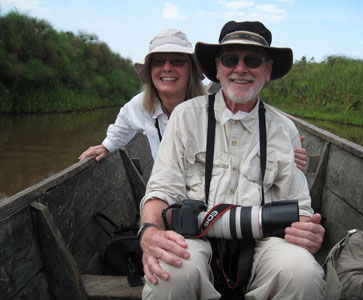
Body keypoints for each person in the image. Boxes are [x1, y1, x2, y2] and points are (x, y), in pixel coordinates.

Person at [139, 20, 325, 300]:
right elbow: (161, 189)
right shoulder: (185, 117)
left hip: (264, 241)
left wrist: (308, 232)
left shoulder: (284, 129)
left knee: (303, 273)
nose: (240, 69)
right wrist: (149, 230)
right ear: (217, 67)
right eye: (230, 59)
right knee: (170, 274)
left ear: (268, 69)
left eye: (252, 60)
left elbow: (300, 209)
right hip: (194, 235)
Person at [78, 29, 308, 172]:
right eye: (159, 61)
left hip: (208, 191)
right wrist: (107, 145)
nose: (167, 68)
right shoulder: (139, 106)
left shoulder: (214, 106)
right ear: (150, 70)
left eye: (178, 61)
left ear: (191, 70)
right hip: (168, 189)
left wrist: (282, 150)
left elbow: (243, 138)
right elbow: (122, 127)